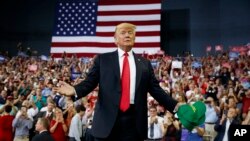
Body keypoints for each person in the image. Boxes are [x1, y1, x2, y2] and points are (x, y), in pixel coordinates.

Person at [54, 22, 179, 141]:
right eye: (123, 32)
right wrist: (74, 90)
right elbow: (89, 82)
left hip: (134, 124)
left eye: (130, 32)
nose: (127, 35)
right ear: (115, 39)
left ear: (135, 37)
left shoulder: (145, 63)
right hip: (106, 123)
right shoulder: (103, 60)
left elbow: (155, 90)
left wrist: (176, 106)